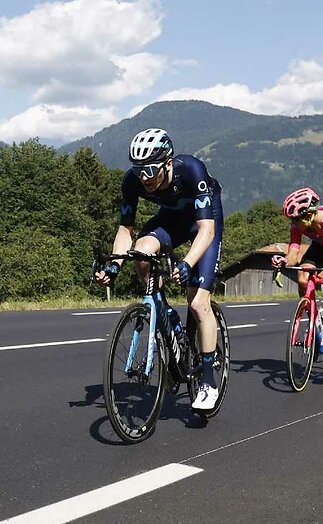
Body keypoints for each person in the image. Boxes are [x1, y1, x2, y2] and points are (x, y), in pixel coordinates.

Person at [94, 128, 224, 410]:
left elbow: (207, 230)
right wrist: (115, 265)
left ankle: (208, 380)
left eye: (151, 169)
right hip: (173, 220)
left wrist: (187, 262)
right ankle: (162, 311)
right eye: (139, 169)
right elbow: (124, 230)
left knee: (199, 303)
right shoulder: (133, 181)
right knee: (141, 250)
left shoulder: (190, 169)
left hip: (205, 222)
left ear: (167, 162)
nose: (145, 177)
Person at [271, 188, 323, 358]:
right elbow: (293, 254)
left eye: (295, 219)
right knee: (302, 277)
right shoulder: (298, 225)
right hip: (320, 247)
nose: (293, 223)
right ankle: (314, 318)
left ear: (308, 216)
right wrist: (284, 261)